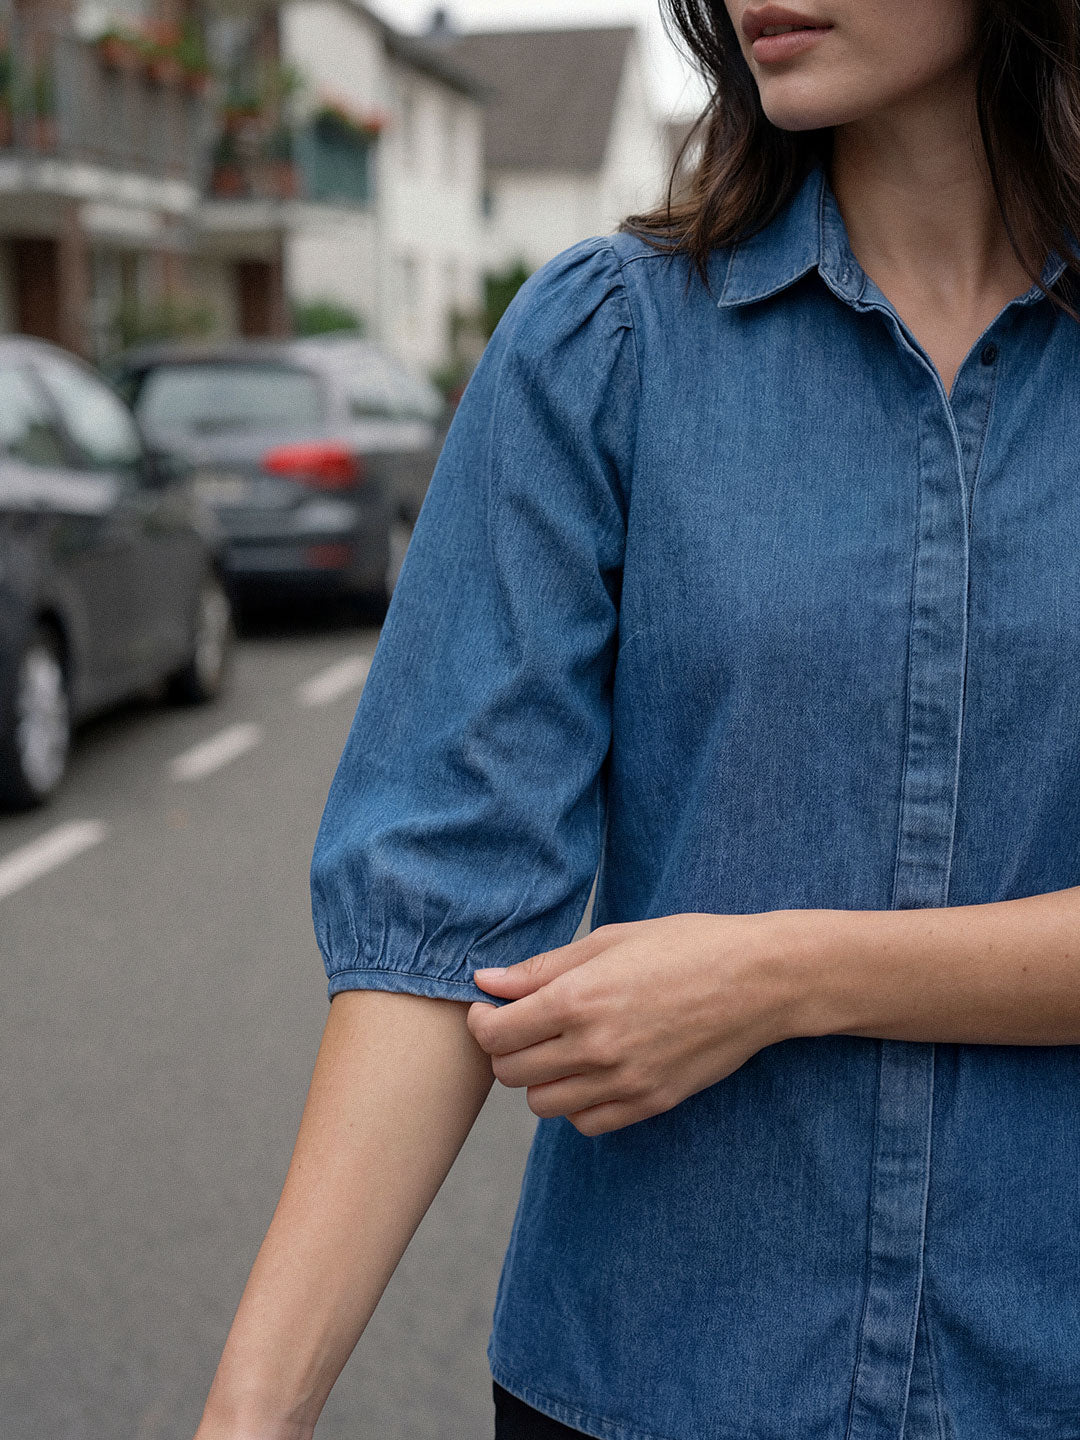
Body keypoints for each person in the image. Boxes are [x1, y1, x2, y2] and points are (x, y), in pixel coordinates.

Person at [194, 1, 1080, 1437]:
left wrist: (779, 976)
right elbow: (438, 919)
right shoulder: (604, 345)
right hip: (652, 1380)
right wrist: (250, 1417)